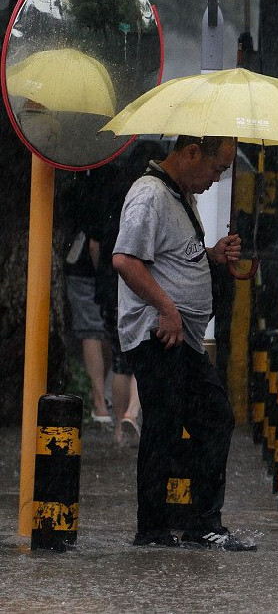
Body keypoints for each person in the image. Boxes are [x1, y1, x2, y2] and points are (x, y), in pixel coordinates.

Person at [113, 135, 254, 551]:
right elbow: (125, 260)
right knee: (165, 425)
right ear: (192, 153)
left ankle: (200, 524)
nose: (216, 179)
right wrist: (167, 308)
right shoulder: (149, 195)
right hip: (157, 332)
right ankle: (153, 529)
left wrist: (211, 255)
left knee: (213, 419)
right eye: (216, 168)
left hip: (182, 338)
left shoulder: (181, 196)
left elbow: (176, 254)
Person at [95, 142, 162, 447]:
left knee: (121, 361)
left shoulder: (112, 192)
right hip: (138, 284)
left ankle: (120, 430)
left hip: (110, 286)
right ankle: (133, 413)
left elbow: (98, 243)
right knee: (142, 352)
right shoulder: (153, 196)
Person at [63, 171, 112, 426]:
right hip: (101, 267)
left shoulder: (81, 179)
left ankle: (99, 400)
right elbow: (95, 242)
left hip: (80, 263)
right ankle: (101, 399)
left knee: (92, 330)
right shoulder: (114, 184)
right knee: (102, 331)